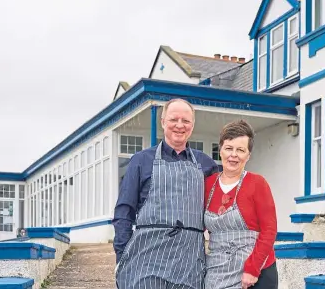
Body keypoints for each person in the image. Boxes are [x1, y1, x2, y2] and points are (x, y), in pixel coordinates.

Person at [113, 98, 219, 289]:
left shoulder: (207, 165)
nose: (180, 125)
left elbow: (217, 214)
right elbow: (124, 211)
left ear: (192, 125)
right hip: (145, 262)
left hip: (189, 265)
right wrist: (122, 255)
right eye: (173, 119)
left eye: (186, 121)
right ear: (163, 122)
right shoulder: (140, 160)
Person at [204, 119, 278, 289]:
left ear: (248, 155)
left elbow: (269, 230)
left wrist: (252, 269)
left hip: (256, 275)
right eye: (229, 148)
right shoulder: (207, 185)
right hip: (216, 271)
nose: (234, 155)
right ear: (220, 150)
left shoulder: (258, 183)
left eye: (241, 150)